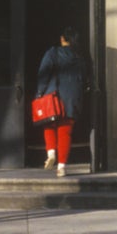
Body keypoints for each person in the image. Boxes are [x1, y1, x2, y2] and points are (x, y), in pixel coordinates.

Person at [35, 26, 87, 177]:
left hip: (53, 95)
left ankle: (51, 153)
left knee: (49, 125)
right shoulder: (79, 57)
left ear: (62, 39)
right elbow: (83, 78)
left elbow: (43, 74)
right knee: (65, 132)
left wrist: (39, 93)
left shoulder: (52, 53)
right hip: (72, 98)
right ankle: (62, 167)